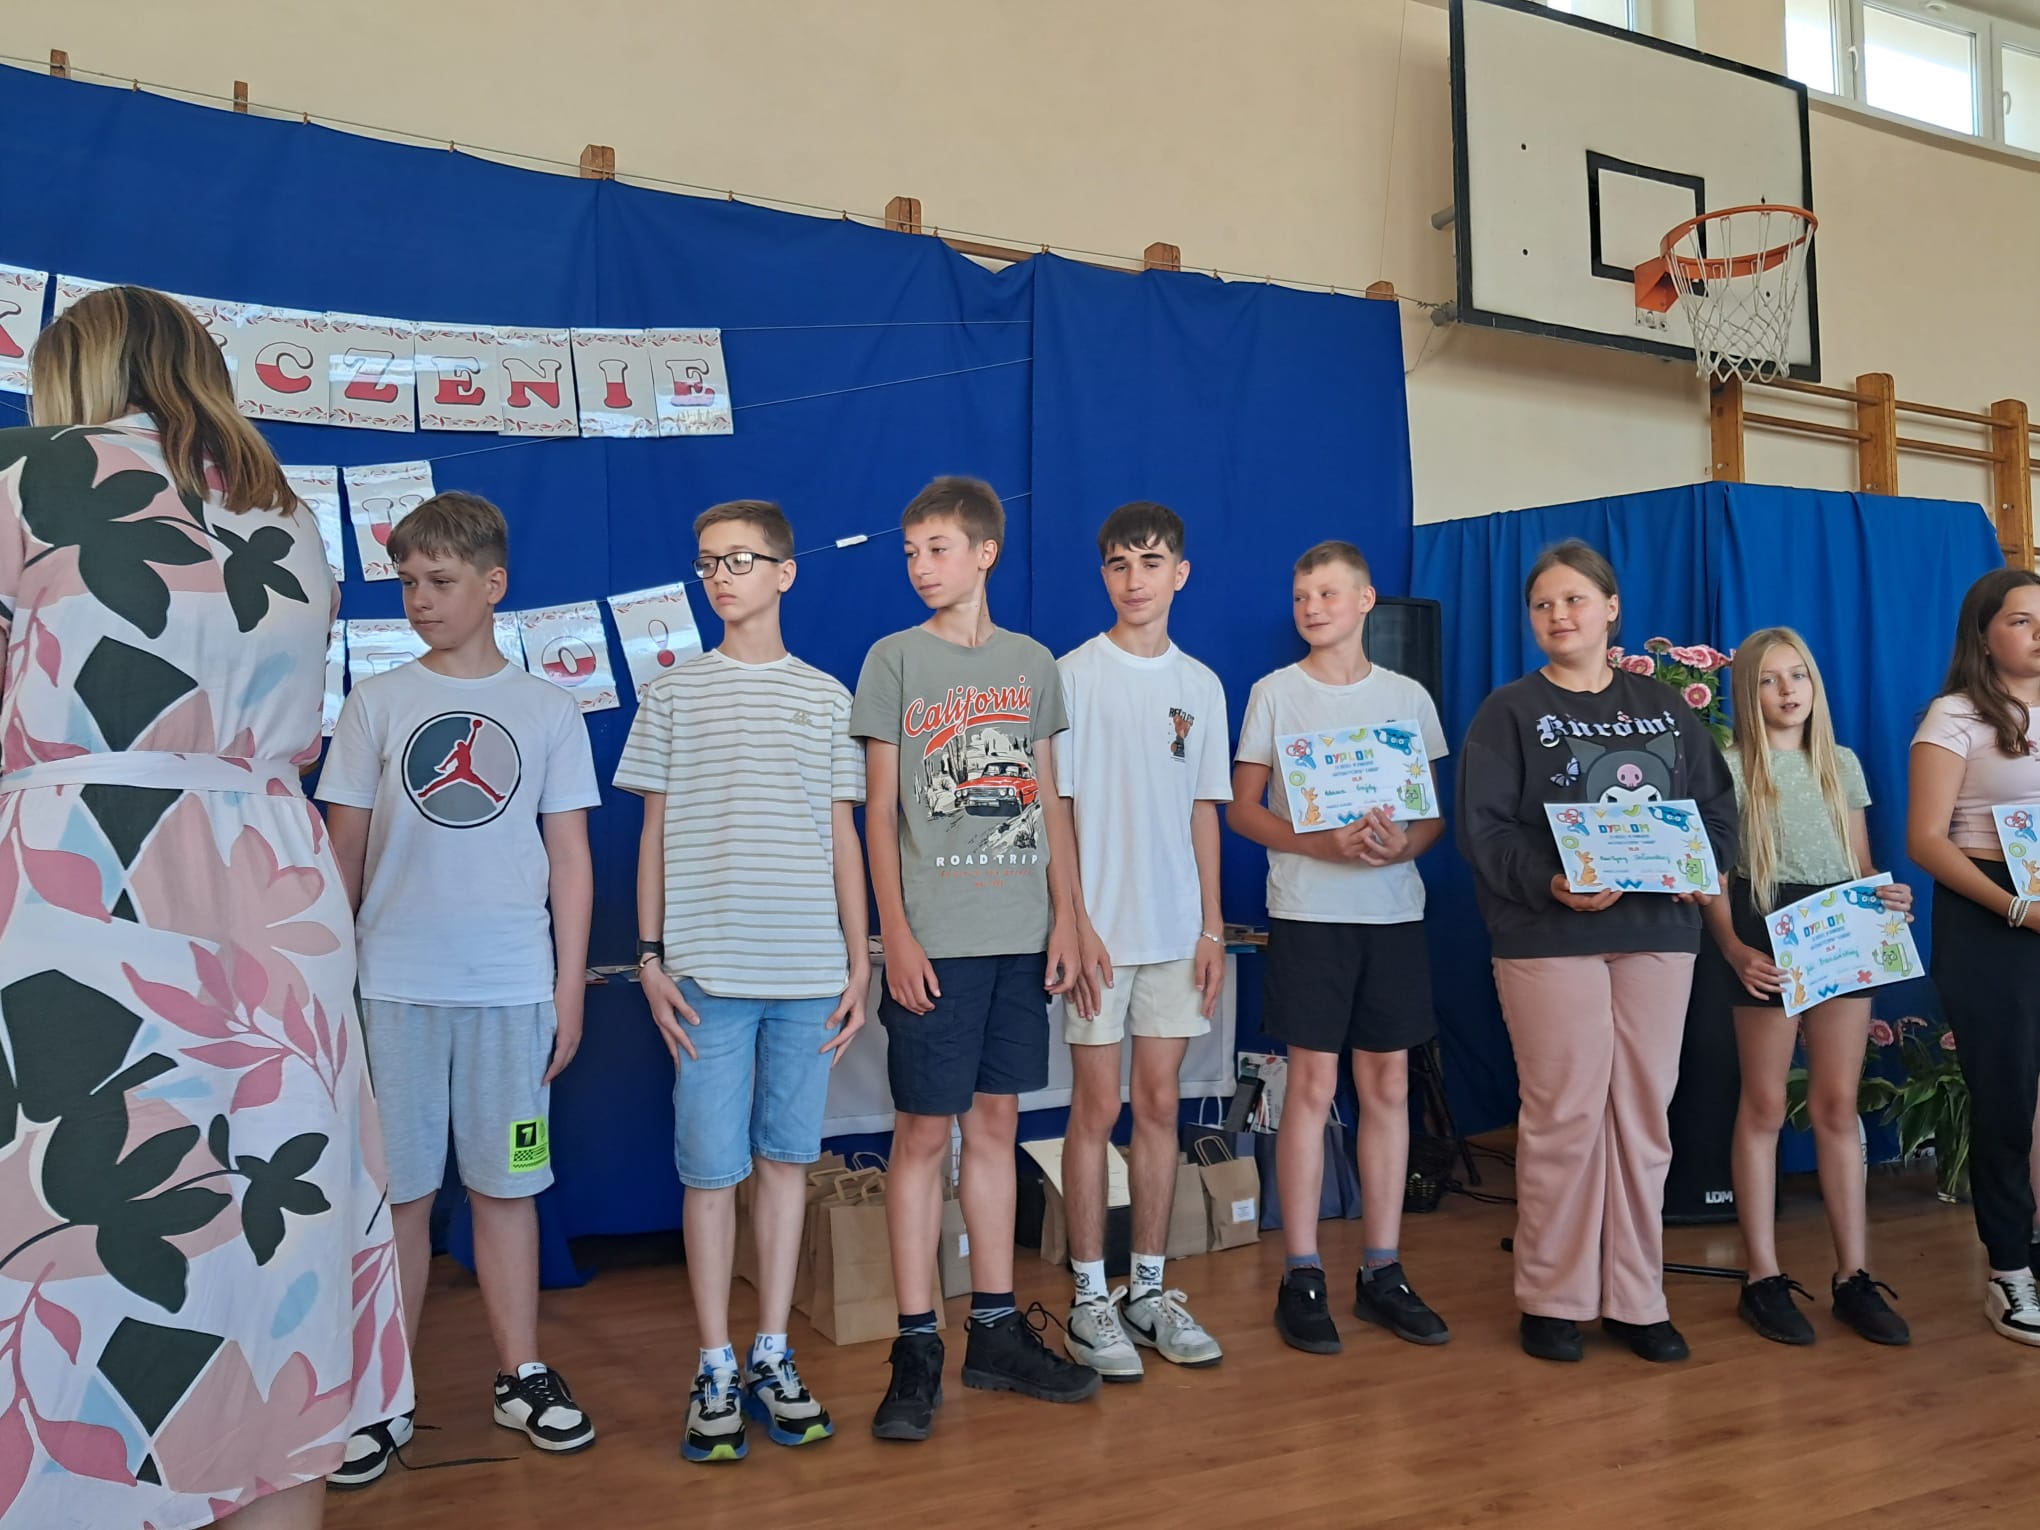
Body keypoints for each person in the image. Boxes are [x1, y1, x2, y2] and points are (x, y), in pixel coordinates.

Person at [0, 284, 408, 1530]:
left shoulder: (26, 476)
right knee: (271, 1243)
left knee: (81, 1230)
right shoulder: (288, 518)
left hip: (80, 883)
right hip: (272, 894)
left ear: (74, 376)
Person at [318, 492, 599, 1481]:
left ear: (494, 585)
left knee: (507, 1189)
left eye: (439, 581)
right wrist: (329, 986)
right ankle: (384, 1397)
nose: (420, 599)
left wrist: (568, 990)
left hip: (513, 994)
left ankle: (521, 1374)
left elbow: (571, 860)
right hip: (393, 990)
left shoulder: (547, 710)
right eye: (407, 582)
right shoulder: (375, 703)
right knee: (400, 1195)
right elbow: (341, 855)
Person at [614, 499, 869, 1461]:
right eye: (708, 562)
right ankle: (715, 1363)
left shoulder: (828, 697)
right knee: (710, 1172)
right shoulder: (673, 694)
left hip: (807, 975)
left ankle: (772, 1353)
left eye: (740, 560)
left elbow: (843, 837)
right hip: (707, 979)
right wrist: (648, 958)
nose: (721, 577)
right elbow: (651, 836)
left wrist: (859, 961)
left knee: (786, 1164)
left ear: (785, 572)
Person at [851, 475, 1098, 1441]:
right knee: (923, 1135)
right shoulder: (893, 660)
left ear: (985, 553)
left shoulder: (1032, 664)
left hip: (1020, 936)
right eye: (911, 551)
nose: (921, 566)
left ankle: (993, 1333)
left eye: (939, 548)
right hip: (937, 941)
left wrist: (1068, 918)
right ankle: (917, 1346)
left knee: (996, 1125)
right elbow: (879, 813)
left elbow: (1050, 801)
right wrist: (897, 933)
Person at [1457, 539, 1736, 1364]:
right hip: (1549, 935)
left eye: (1574, 600)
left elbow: (1716, 811)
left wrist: (1701, 866)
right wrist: (1552, 882)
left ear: (1611, 609)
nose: (1558, 615)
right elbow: (1484, 831)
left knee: (1644, 1117)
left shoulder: (1665, 708)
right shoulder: (1508, 711)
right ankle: (1553, 1296)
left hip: (1658, 936)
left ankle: (1636, 1298)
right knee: (1565, 1114)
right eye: (1543, 604)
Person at [1228, 540, 1451, 1355]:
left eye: (1327, 593)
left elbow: (1430, 818)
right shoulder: (1274, 693)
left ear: (1365, 600)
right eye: (1301, 596)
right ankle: (1302, 1273)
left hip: (1392, 915)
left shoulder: (1406, 696)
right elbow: (1241, 809)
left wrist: (1401, 846)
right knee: (1313, 1085)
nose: (1312, 608)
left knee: (1387, 1083)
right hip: (1308, 912)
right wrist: (1318, 845)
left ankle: (1383, 1269)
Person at [1054, 501, 1230, 1379]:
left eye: (1151, 562)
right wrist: (1076, 921)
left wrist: (1211, 926)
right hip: (1099, 938)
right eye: (1120, 563)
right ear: (1104, 575)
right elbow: (1059, 809)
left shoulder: (1202, 685)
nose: (1135, 579)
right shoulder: (1071, 676)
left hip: (1173, 933)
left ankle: (1148, 1291)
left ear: (1180, 574)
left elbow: (1203, 811)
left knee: (1160, 1106)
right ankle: (1090, 1297)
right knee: (1096, 1109)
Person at [1701, 627, 1911, 1346]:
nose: (1787, 690)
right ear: (1747, 691)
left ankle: (1854, 1275)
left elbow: (1859, 860)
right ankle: (1762, 1276)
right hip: (1764, 925)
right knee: (1764, 1102)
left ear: (1815, 685)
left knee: (1837, 1103)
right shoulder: (1729, 768)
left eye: (1798, 676)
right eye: (1769, 679)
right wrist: (1733, 948)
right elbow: (1712, 876)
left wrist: (1886, 896)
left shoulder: (1840, 762)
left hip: (1840, 927)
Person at [1907, 567, 2040, 1346]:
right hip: (1992, 914)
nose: (2038, 632)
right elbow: (1926, 839)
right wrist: (2017, 907)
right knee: (2006, 1097)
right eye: (2021, 619)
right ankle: (2009, 1270)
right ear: (1984, 636)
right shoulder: (1955, 715)